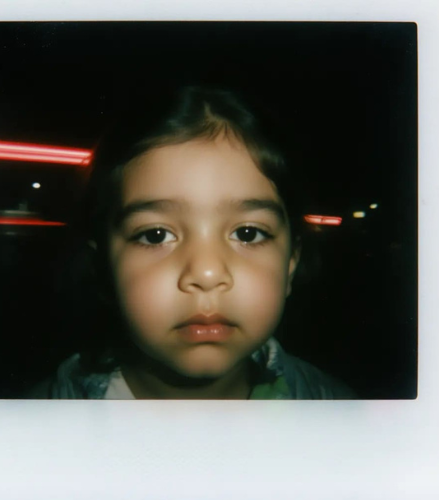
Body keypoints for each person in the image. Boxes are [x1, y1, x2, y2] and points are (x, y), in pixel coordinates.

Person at [31, 86, 355, 400]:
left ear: (291, 263)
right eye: (155, 235)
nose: (207, 273)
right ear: (104, 267)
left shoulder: (337, 411)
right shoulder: (38, 421)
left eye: (248, 233)